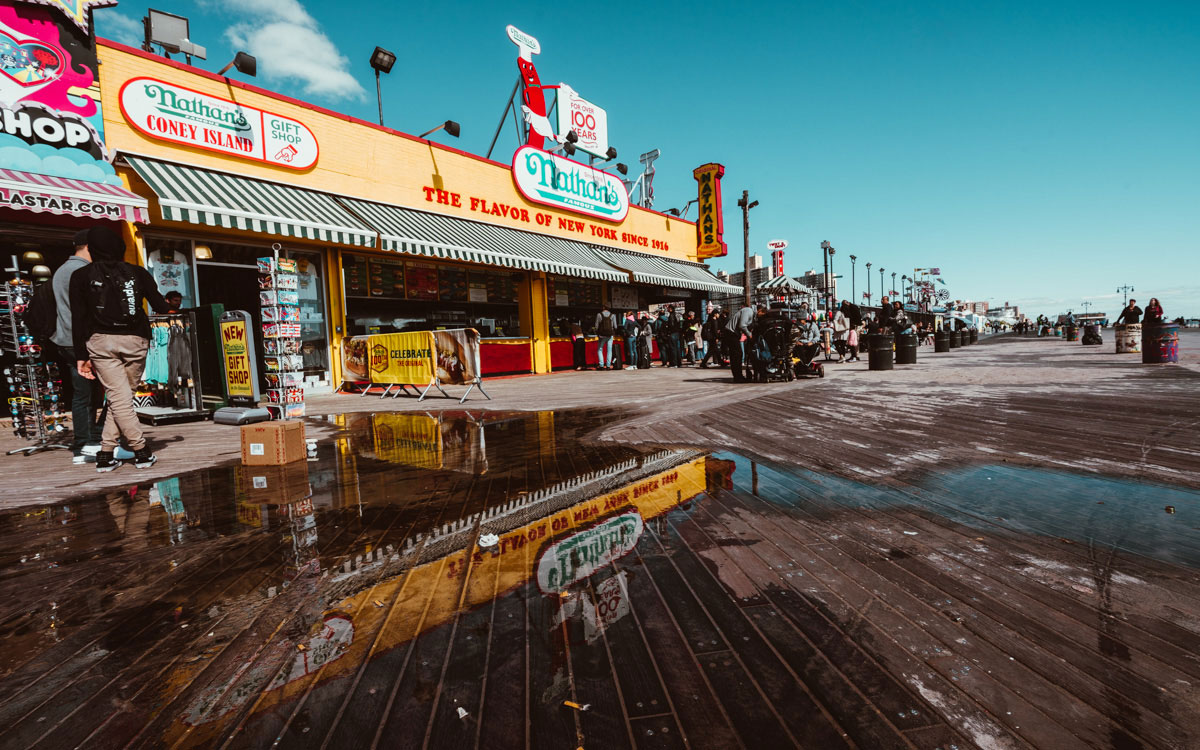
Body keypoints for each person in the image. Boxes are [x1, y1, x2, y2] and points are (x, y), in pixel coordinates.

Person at [71, 226, 171, 472]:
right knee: (122, 398)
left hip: (101, 343)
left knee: (118, 398)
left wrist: (81, 356)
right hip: (135, 341)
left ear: (92, 250)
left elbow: (79, 318)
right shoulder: (138, 273)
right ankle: (140, 450)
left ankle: (107, 454)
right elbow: (160, 306)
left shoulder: (81, 276)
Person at [52, 229, 102, 464]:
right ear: (89, 246)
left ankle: (88, 439)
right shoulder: (81, 271)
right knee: (88, 394)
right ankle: (84, 445)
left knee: (84, 393)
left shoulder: (62, 270)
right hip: (80, 340)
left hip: (66, 339)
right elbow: (87, 311)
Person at [723, 302, 757, 383]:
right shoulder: (748, 311)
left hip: (732, 333)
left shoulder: (749, 312)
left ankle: (737, 376)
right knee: (737, 354)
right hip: (731, 333)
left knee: (736, 355)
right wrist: (749, 335)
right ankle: (738, 376)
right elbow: (742, 325)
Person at [594, 305, 616, 370]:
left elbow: (596, 326)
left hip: (602, 335)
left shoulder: (599, 314)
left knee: (600, 349)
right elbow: (615, 326)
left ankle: (601, 365)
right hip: (610, 335)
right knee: (609, 350)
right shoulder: (613, 315)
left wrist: (597, 332)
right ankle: (608, 366)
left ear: (603, 308)